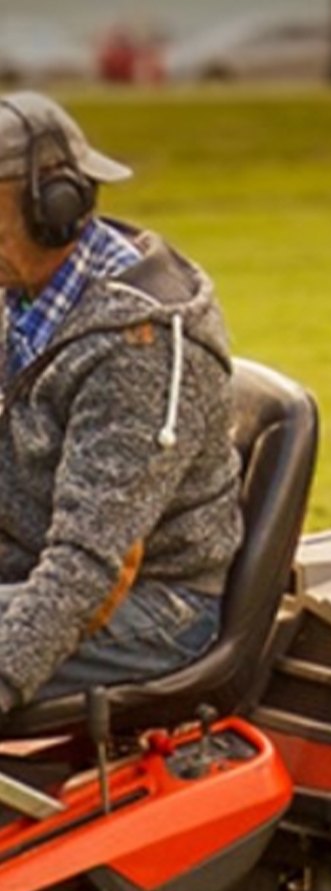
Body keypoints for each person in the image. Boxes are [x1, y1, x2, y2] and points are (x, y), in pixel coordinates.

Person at [0, 90, 240, 715]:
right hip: (29, 562)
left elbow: (87, 567)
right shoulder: (24, 296)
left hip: (156, 605)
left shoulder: (139, 350)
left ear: (53, 207)